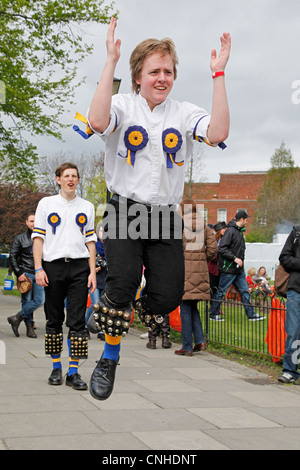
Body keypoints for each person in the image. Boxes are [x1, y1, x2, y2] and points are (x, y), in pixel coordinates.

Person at [85, 17, 230, 400]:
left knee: (166, 298)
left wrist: (218, 74)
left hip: (166, 215)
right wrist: (109, 62)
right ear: (137, 76)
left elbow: (217, 133)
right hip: (125, 210)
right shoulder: (121, 104)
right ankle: (109, 357)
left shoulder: (182, 112)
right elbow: (98, 120)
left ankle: (119, 307)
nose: (162, 78)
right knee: (123, 281)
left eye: (168, 71)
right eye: (154, 71)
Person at [32, 162, 97, 390]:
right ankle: (56, 367)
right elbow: (38, 238)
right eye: (66, 175)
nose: (71, 179)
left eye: (75, 176)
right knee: (54, 319)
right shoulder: (46, 204)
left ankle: (74, 371)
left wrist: (92, 272)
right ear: (58, 179)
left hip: (79, 268)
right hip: (53, 267)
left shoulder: (87, 206)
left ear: (78, 180)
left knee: (78, 321)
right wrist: (38, 268)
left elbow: (90, 241)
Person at [175, 199, 217, 356]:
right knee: (193, 307)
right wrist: (202, 258)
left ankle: (187, 346)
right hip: (199, 272)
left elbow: (175, 247)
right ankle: (200, 340)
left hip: (184, 270)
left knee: (185, 307)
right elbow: (213, 248)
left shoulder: (180, 226)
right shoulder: (205, 227)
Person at [210, 210, 265, 321]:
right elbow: (222, 249)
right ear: (241, 220)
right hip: (228, 269)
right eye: (246, 220)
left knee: (245, 292)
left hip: (238, 270)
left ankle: (251, 314)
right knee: (221, 291)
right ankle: (213, 314)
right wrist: (235, 259)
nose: (247, 222)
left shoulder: (239, 232)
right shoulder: (230, 231)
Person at [7, 213, 45, 338]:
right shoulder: (20, 238)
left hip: (39, 273)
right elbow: (13, 256)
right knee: (26, 301)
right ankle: (30, 328)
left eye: (36, 221)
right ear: (26, 222)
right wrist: (18, 273)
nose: (34, 224)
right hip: (25, 274)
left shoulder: (44, 237)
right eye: (31, 221)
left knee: (40, 300)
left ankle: (16, 317)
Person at [278, 226, 300, 384]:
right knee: (294, 332)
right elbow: (284, 258)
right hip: (297, 290)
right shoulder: (297, 232)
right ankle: (290, 370)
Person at [85, 223, 107, 341]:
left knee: (103, 305)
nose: (103, 233)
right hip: (95, 279)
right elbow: (89, 259)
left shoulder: (111, 246)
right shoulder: (94, 245)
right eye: (101, 230)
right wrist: (93, 267)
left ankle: (101, 329)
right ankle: (85, 326)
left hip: (106, 279)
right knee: (95, 304)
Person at [208, 221, 227, 320]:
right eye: (223, 229)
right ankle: (213, 307)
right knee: (213, 289)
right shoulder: (213, 240)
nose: (225, 231)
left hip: (221, 269)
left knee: (219, 290)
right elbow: (212, 255)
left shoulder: (226, 240)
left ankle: (217, 307)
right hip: (213, 269)